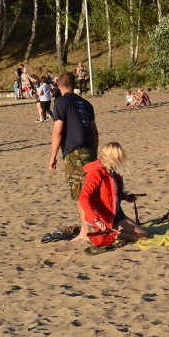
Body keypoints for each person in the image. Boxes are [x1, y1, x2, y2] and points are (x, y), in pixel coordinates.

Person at [49, 72, 99, 241]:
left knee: (79, 194)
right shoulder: (86, 103)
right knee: (88, 192)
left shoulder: (61, 102)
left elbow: (58, 131)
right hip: (89, 151)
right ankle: (86, 229)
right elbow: (94, 132)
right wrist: (94, 153)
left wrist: (52, 156)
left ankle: (86, 233)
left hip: (74, 153)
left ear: (59, 85)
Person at [79, 142, 147, 243]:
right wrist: (96, 219)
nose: (120, 161)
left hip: (116, 214)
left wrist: (125, 197)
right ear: (110, 157)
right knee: (141, 237)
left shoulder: (112, 171)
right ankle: (113, 234)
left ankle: (113, 233)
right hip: (104, 217)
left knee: (144, 235)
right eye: (118, 158)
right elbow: (83, 198)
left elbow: (110, 193)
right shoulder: (96, 173)